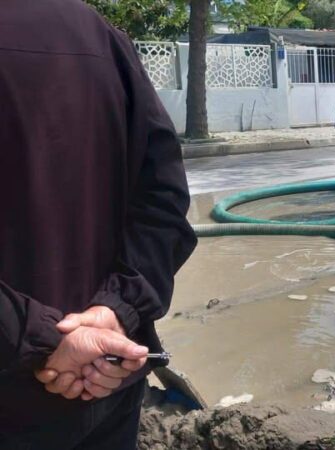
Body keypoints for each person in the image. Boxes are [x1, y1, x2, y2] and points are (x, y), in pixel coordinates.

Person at [0, 1, 197, 448]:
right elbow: (163, 197)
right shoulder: (102, 37)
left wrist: (48, 340)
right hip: (107, 384)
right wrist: (113, 312)